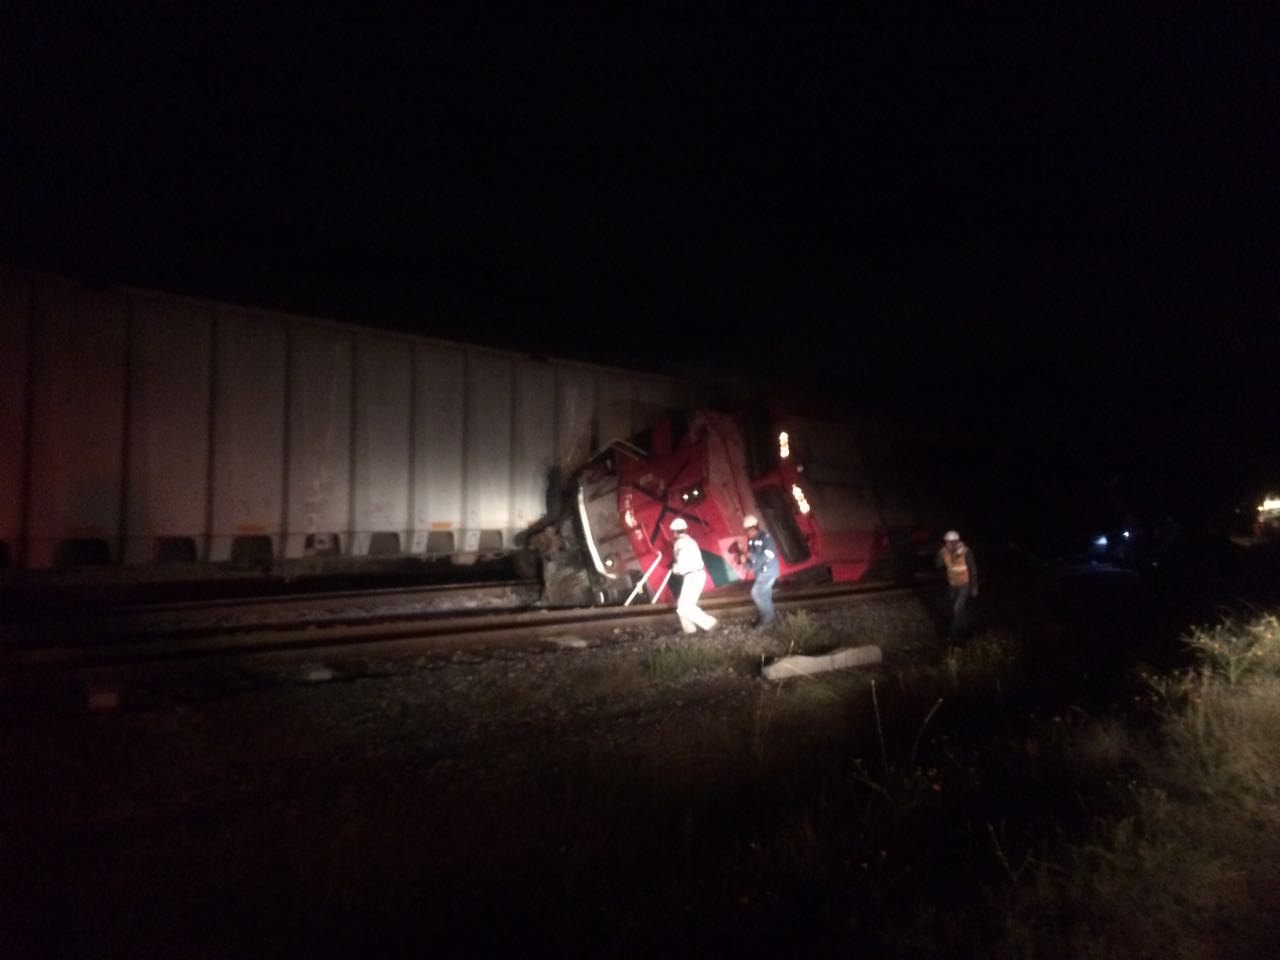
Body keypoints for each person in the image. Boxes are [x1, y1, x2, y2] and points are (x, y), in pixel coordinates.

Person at [668, 517, 717, 634]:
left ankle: (710, 623)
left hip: (692, 576)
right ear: (684, 529)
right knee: (682, 604)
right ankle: (689, 630)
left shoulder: (679, 543)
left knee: (684, 608)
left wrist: (675, 569)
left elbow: (682, 561)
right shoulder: (691, 541)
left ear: (674, 532)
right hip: (697, 575)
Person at [936, 530, 978, 641]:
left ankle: (953, 633)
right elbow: (938, 565)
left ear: (957, 541)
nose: (949, 544)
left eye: (951, 542)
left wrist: (974, 587)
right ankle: (966, 627)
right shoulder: (944, 552)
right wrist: (940, 554)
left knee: (956, 608)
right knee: (960, 609)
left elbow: (973, 570)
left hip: (965, 584)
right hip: (952, 585)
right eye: (947, 542)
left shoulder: (966, 552)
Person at [741, 514, 779, 627]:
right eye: (746, 530)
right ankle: (770, 618)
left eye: (749, 529)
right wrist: (745, 563)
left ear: (756, 527)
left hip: (768, 571)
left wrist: (750, 555)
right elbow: (753, 561)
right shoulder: (751, 540)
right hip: (761, 572)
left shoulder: (765, 537)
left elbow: (769, 555)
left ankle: (767, 619)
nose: (748, 532)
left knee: (757, 592)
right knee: (765, 595)